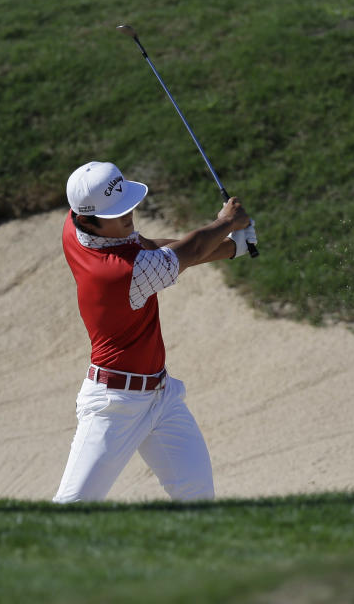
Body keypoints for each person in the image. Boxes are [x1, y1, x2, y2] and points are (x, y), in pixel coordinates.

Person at [53, 161, 255, 503]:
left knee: (198, 498)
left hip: (161, 398)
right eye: (118, 213)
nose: (129, 216)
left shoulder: (76, 229)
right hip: (114, 405)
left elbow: (155, 248)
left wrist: (233, 246)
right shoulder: (119, 275)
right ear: (88, 219)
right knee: (73, 506)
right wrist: (226, 223)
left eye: (127, 207)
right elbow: (184, 253)